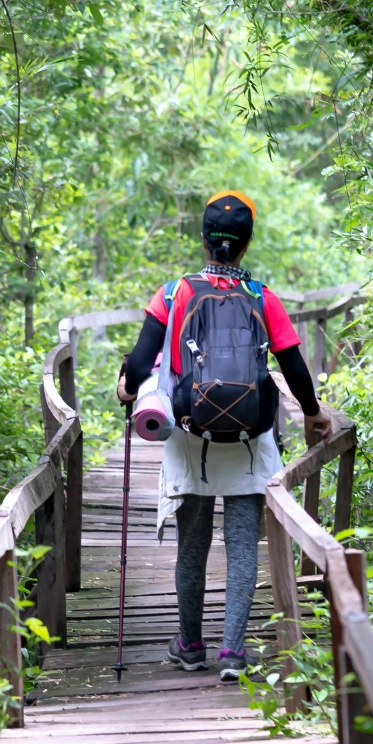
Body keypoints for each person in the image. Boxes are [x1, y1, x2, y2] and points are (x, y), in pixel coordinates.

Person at [116, 191, 333, 682]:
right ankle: (232, 651)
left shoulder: (174, 294)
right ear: (247, 242)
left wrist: (129, 386)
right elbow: (294, 369)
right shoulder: (262, 297)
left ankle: (191, 645)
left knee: (191, 547)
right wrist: (314, 414)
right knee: (240, 548)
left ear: (203, 238)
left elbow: (137, 361)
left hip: (189, 438)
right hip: (250, 442)